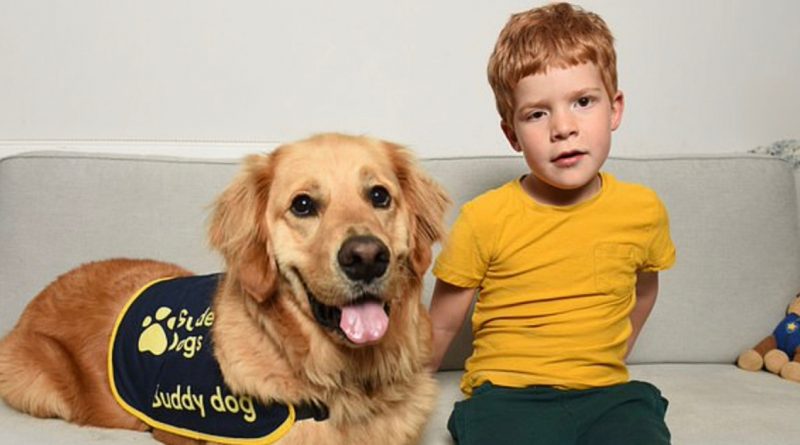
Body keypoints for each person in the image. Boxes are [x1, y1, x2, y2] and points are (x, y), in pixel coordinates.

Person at [427, 3, 676, 444]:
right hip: (506, 396)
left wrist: (609, 354)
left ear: (614, 109)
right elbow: (443, 324)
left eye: (583, 102)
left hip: (607, 395)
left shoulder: (643, 210)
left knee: (640, 430)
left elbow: (645, 289)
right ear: (512, 133)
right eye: (537, 113)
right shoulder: (484, 218)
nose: (563, 128)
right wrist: (399, 395)